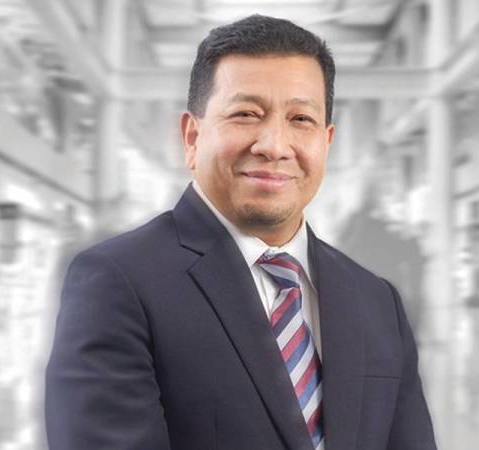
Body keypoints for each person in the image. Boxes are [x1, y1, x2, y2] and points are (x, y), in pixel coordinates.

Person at [45, 15, 437, 450]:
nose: (274, 145)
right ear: (192, 137)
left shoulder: (377, 301)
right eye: (246, 114)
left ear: (326, 141)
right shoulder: (117, 283)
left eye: (301, 119)